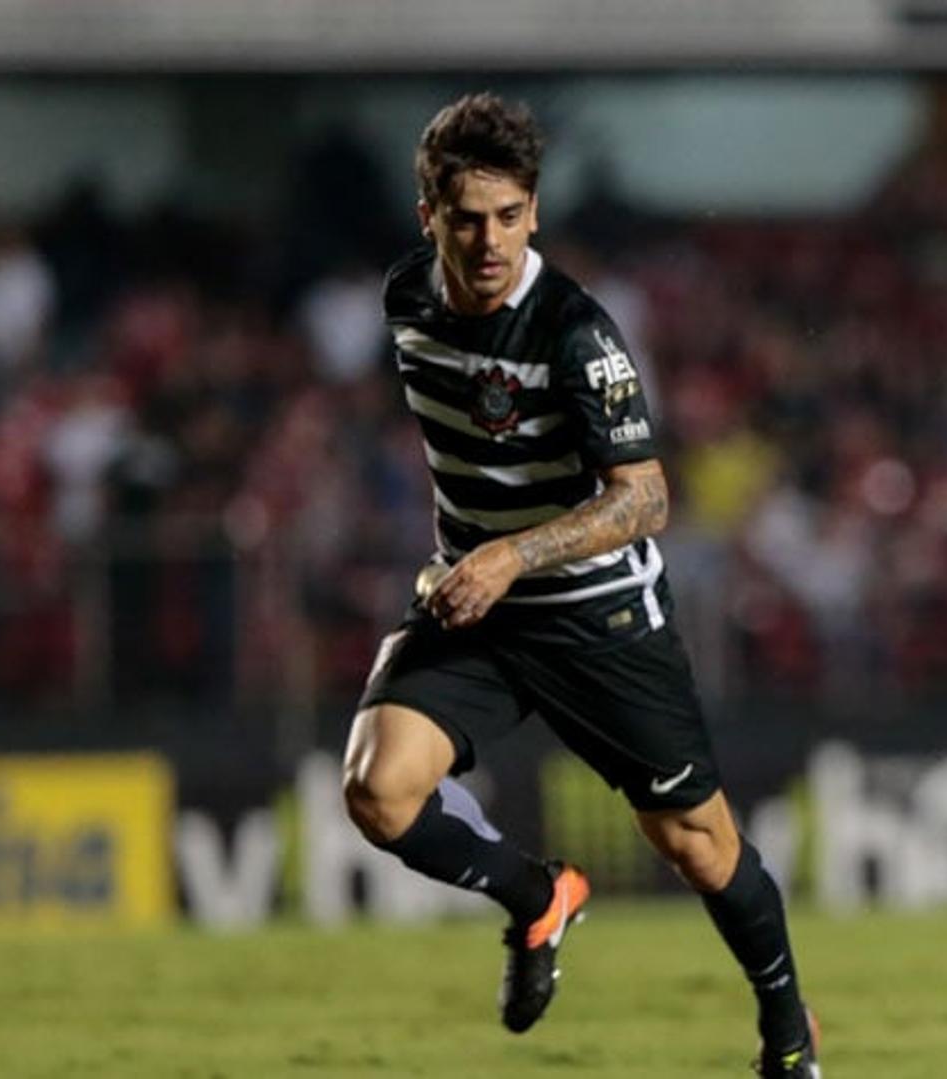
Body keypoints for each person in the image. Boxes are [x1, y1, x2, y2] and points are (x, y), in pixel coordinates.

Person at [341, 92, 818, 1079]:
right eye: (466, 218)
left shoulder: (574, 332)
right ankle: (536, 894)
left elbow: (644, 499)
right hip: (475, 603)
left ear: (535, 213)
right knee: (377, 789)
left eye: (510, 217)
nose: (489, 241)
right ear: (426, 214)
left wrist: (512, 552)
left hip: (597, 615)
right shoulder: (404, 297)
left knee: (697, 844)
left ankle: (789, 1034)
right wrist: (476, 552)